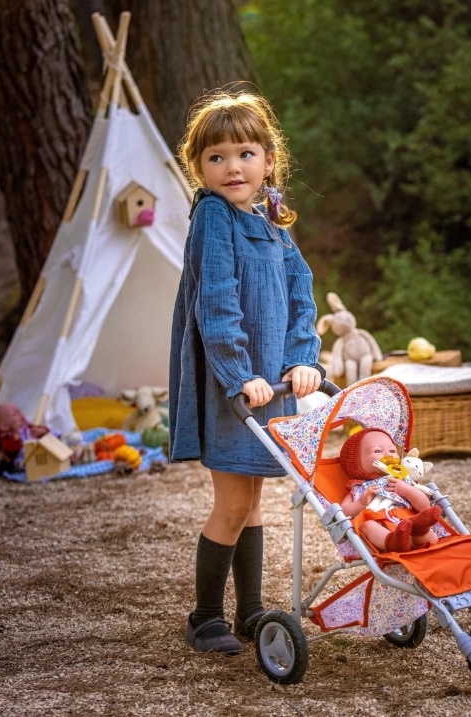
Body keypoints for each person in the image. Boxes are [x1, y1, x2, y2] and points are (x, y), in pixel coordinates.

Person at [168, 90, 322, 656]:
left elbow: (301, 295)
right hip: (235, 387)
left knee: (254, 503)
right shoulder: (213, 217)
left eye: (245, 154)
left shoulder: (273, 225)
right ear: (198, 168)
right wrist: (238, 375)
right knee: (233, 504)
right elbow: (216, 303)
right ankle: (205, 617)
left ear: (268, 161)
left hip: (270, 384)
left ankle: (250, 610)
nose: (232, 167)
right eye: (217, 157)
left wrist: (302, 358)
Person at [339, 428, 441, 553]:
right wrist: (360, 503)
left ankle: (421, 533)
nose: (388, 455)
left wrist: (407, 490)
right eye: (377, 451)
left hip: (409, 523)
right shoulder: (359, 487)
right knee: (367, 526)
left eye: (392, 450)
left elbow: (424, 506)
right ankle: (393, 542)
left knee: (425, 529)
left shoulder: (401, 479)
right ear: (356, 463)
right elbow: (343, 512)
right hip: (380, 527)